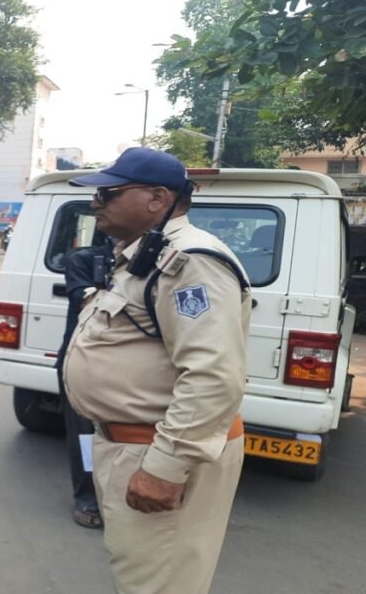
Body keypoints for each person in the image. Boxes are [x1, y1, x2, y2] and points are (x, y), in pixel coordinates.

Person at [63, 147, 251, 594]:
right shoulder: (144, 255)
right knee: (140, 575)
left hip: (155, 450)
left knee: (159, 583)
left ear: (157, 198)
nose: (95, 202)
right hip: (127, 445)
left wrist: (166, 468)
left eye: (109, 194)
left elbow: (212, 375)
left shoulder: (191, 261)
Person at [55, 242, 114, 529]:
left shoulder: (158, 260)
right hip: (84, 363)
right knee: (86, 434)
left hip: (129, 367)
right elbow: (87, 302)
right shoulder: (85, 260)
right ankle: (88, 497)